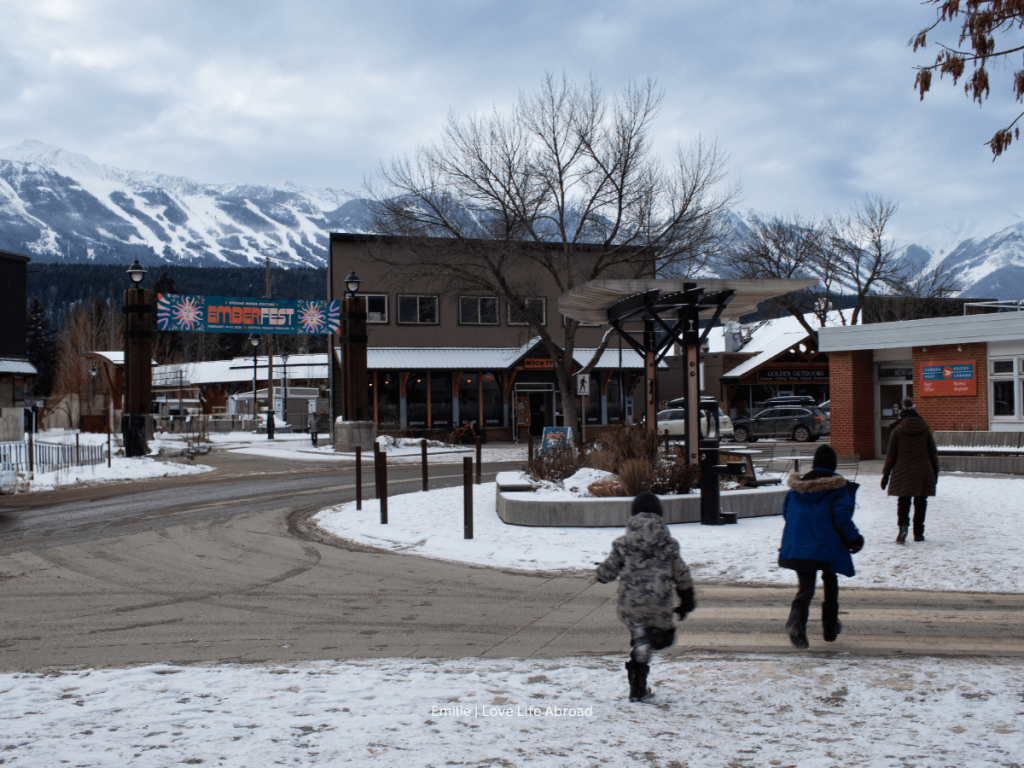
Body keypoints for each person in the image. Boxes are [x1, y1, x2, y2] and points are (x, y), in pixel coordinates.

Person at [595, 492, 695, 702]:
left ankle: (638, 679)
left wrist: (600, 576)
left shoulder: (623, 543)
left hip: (631, 605)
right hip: (659, 604)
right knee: (663, 637)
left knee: (639, 633)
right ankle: (650, 641)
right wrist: (687, 599)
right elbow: (681, 574)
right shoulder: (669, 544)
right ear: (660, 514)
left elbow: (609, 570)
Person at [779, 444, 864, 649]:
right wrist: (855, 539)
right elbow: (841, 518)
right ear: (833, 466)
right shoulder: (837, 489)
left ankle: (796, 622)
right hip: (827, 547)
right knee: (830, 580)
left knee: (806, 588)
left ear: (814, 464)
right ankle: (830, 626)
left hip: (798, 546)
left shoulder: (795, 491)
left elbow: (787, 514)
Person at [881, 397, 940, 544]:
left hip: (902, 470)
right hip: (923, 470)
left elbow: (891, 455)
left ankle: (903, 528)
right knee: (921, 501)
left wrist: (886, 475)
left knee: (903, 500)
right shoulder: (924, 428)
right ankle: (918, 533)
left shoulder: (897, 430)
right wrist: (935, 472)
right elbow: (933, 452)